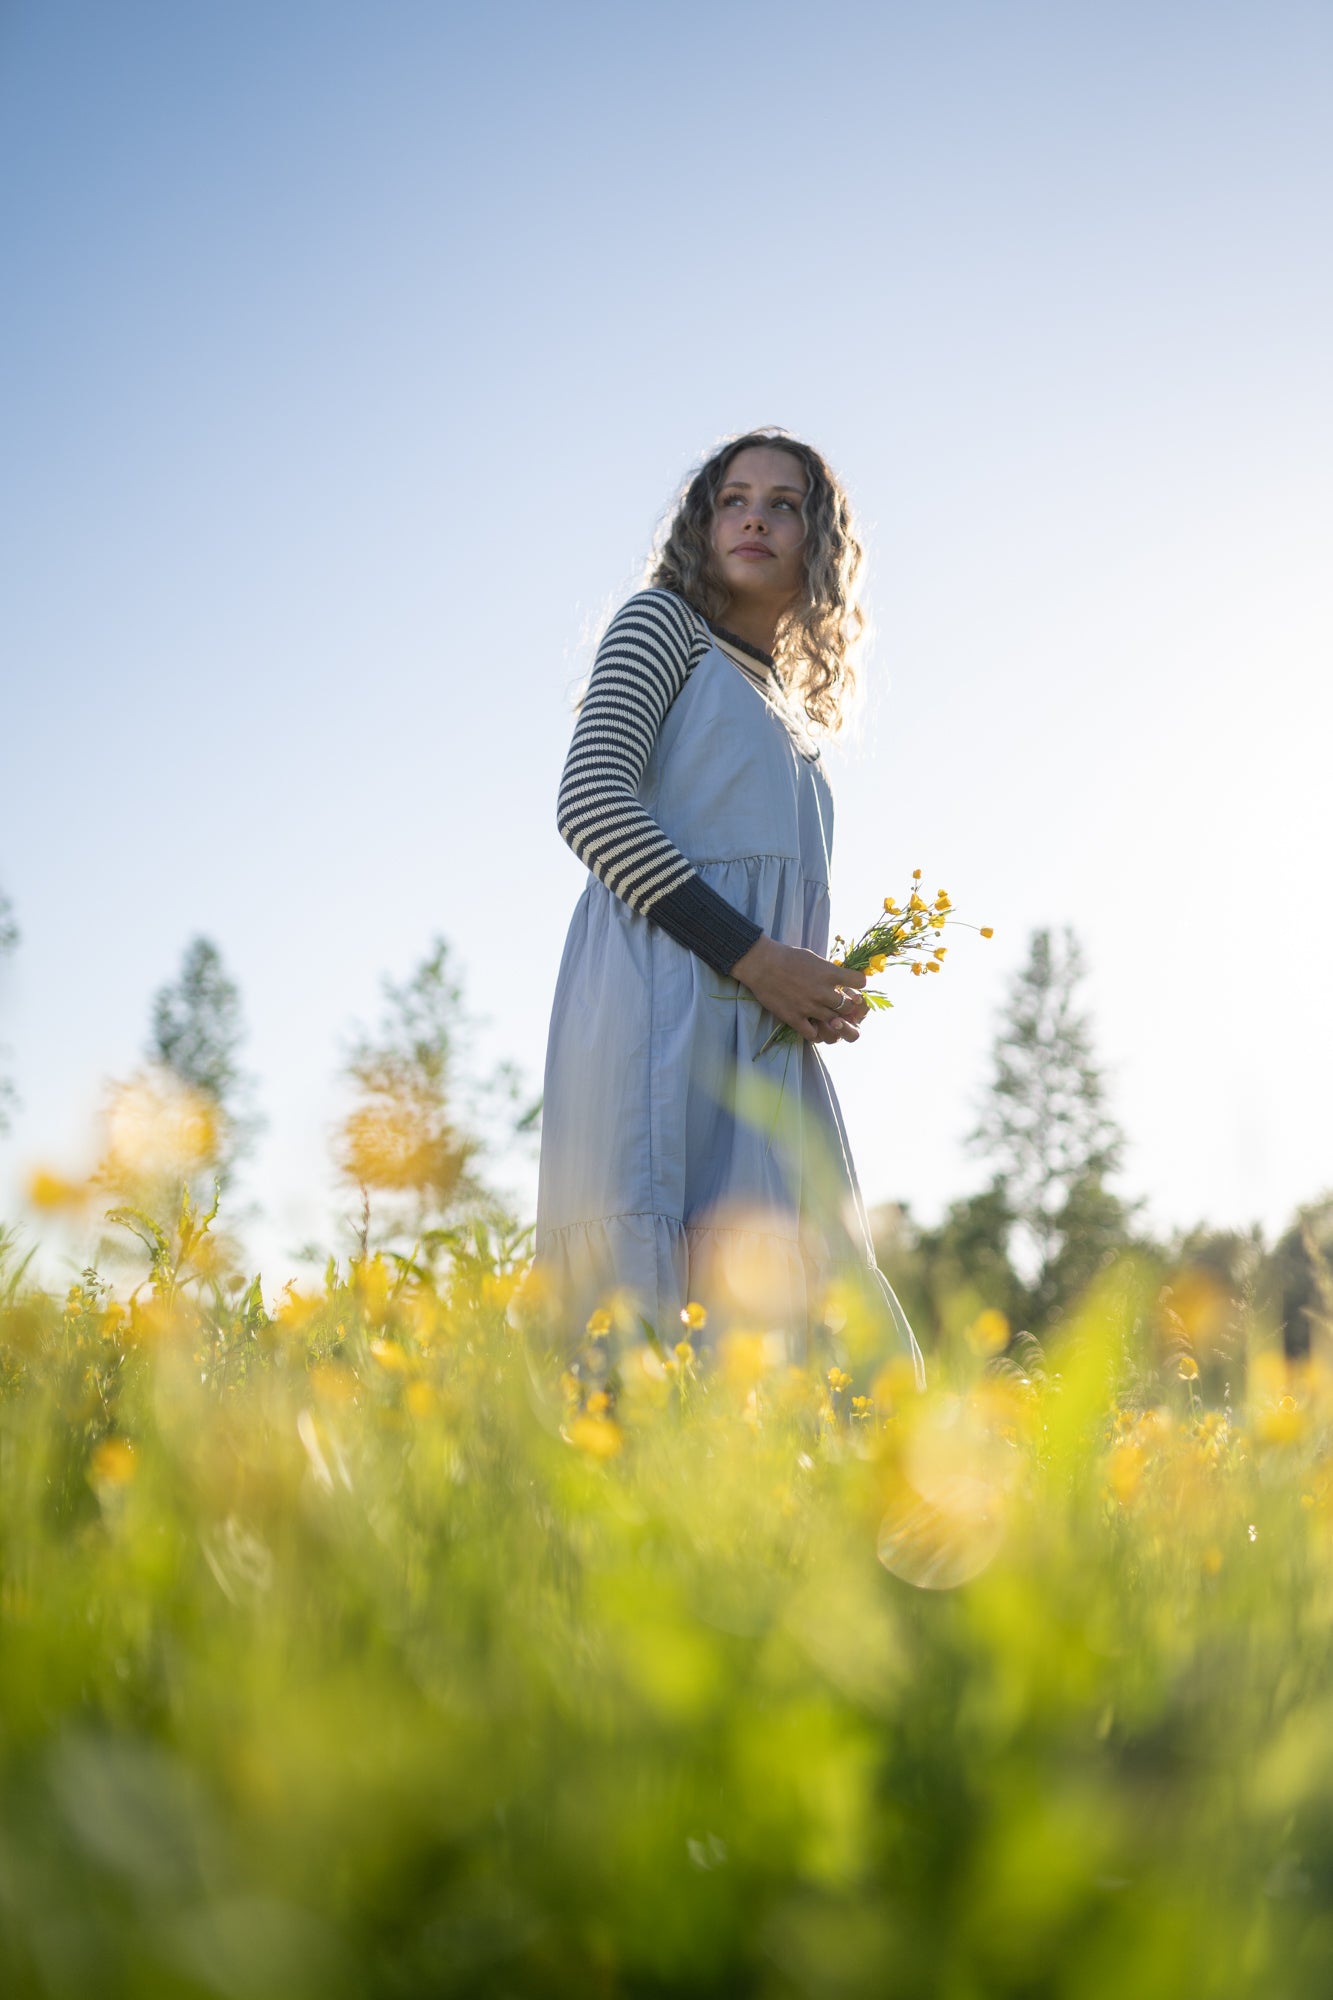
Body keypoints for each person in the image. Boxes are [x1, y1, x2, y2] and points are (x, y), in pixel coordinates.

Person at [535, 428, 922, 1379]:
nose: (754, 515)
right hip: (653, 1012)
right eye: (733, 498)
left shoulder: (790, 708)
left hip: (759, 1036)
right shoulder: (660, 626)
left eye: (783, 502)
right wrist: (754, 955)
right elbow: (589, 800)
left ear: (819, 540)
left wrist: (816, 980)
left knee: (816, 1323)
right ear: (704, 525)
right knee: (647, 1326)